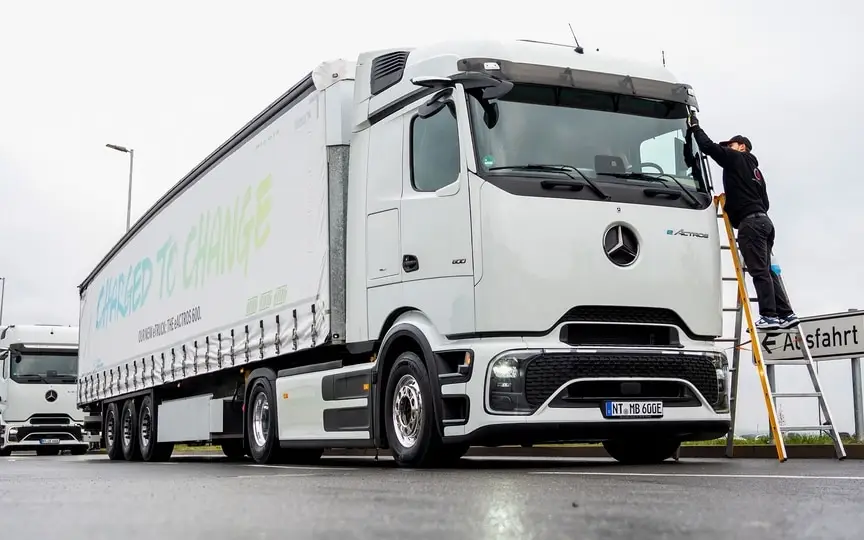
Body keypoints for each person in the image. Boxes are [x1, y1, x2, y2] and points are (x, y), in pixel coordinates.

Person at [687, 112, 798, 331]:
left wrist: (695, 127)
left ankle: (769, 315)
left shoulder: (736, 158)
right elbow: (765, 202)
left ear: (742, 147)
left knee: (759, 271)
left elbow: (708, 147)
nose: (727, 147)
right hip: (765, 222)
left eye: (731, 144)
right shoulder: (757, 172)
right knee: (767, 270)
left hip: (751, 225)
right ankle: (786, 313)